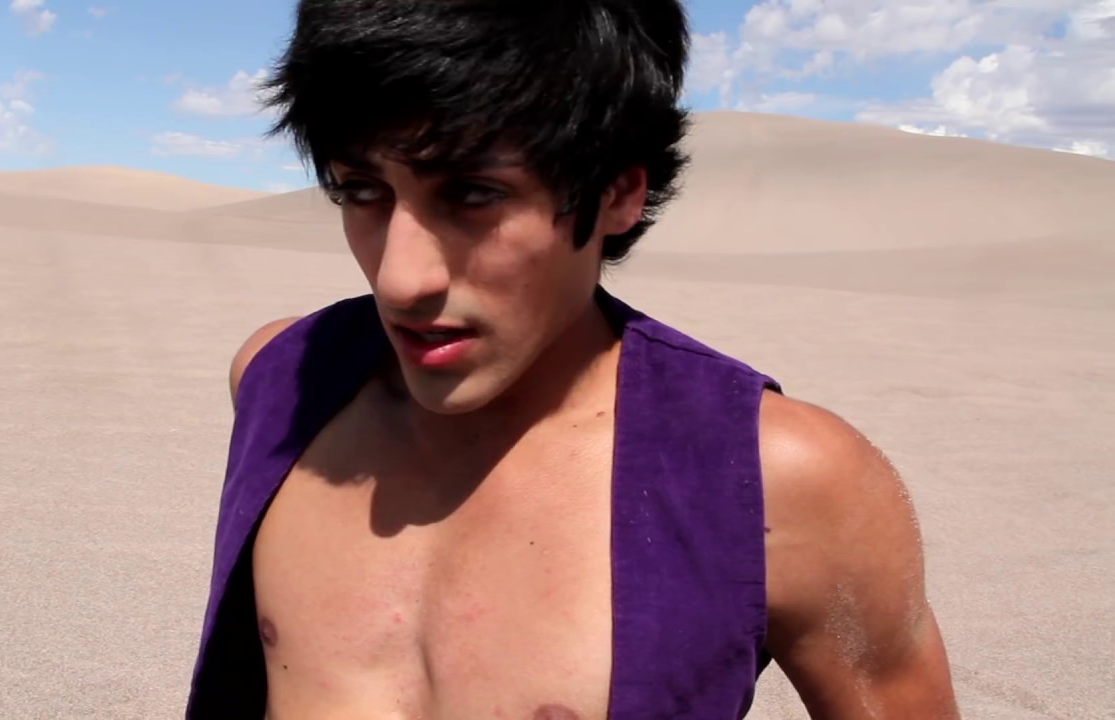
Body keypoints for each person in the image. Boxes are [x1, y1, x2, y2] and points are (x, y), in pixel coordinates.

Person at [187, 0, 962, 717]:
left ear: (618, 193)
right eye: (360, 192)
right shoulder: (280, 380)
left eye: (473, 195)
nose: (399, 279)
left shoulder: (778, 479)